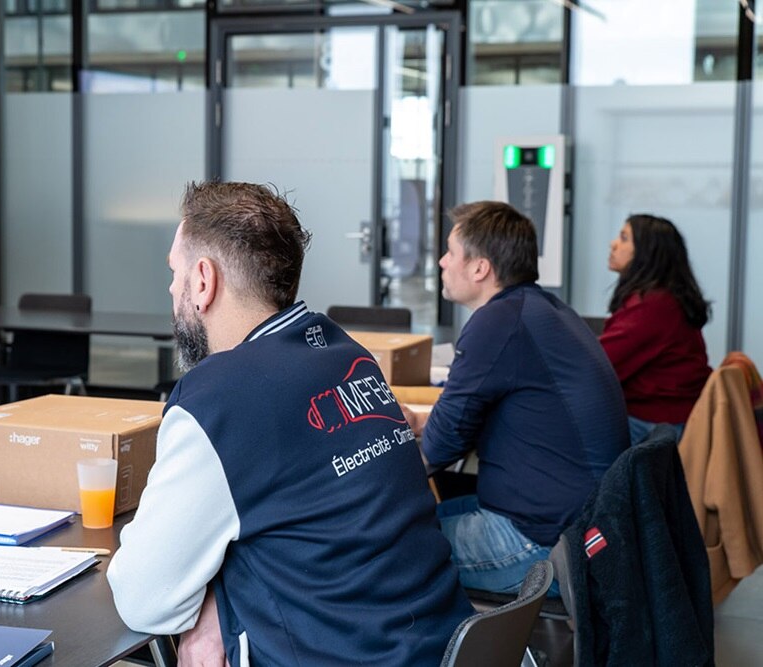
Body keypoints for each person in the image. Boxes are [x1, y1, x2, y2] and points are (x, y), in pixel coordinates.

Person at [107, 182, 472, 666]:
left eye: (174, 272)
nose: (171, 289)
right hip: (443, 645)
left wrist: (215, 599)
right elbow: (316, 521)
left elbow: (144, 596)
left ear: (202, 280)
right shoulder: (349, 357)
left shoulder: (220, 399)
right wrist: (223, 598)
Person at [404, 201, 629, 596]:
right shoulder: (545, 309)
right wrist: (422, 423)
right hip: (581, 526)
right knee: (413, 521)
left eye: (451, 252)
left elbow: (440, 447)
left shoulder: (498, 322)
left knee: (382, 548)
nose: (441, 261)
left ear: (480, 268)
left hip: (543, 542)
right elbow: (480, 412)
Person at [600, 214, 711, 445]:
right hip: (667, 418)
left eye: (624, 238)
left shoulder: (653, 306)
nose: (613, 244)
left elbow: (600, 365)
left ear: (646, 253)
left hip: (659, 426)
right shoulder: (662, 299)